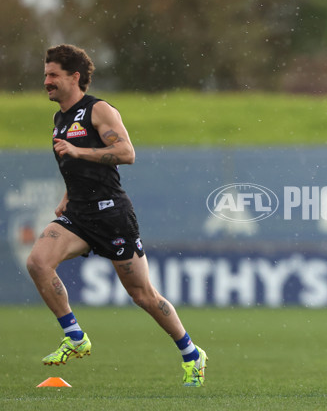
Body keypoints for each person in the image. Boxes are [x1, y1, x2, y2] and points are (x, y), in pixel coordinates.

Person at [27, 44, 207, 387]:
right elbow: (74, 166)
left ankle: (191, 353)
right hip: (78, 215)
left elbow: (126, 153)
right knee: (37, 262)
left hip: (111, 215)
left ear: (74, 77)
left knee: (143, 296)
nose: (46, 81)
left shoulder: (98, 109)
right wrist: (66, 197)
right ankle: (75, 337)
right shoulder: (59, 118)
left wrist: (78, 150)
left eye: (53, 75)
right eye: (46, 74)